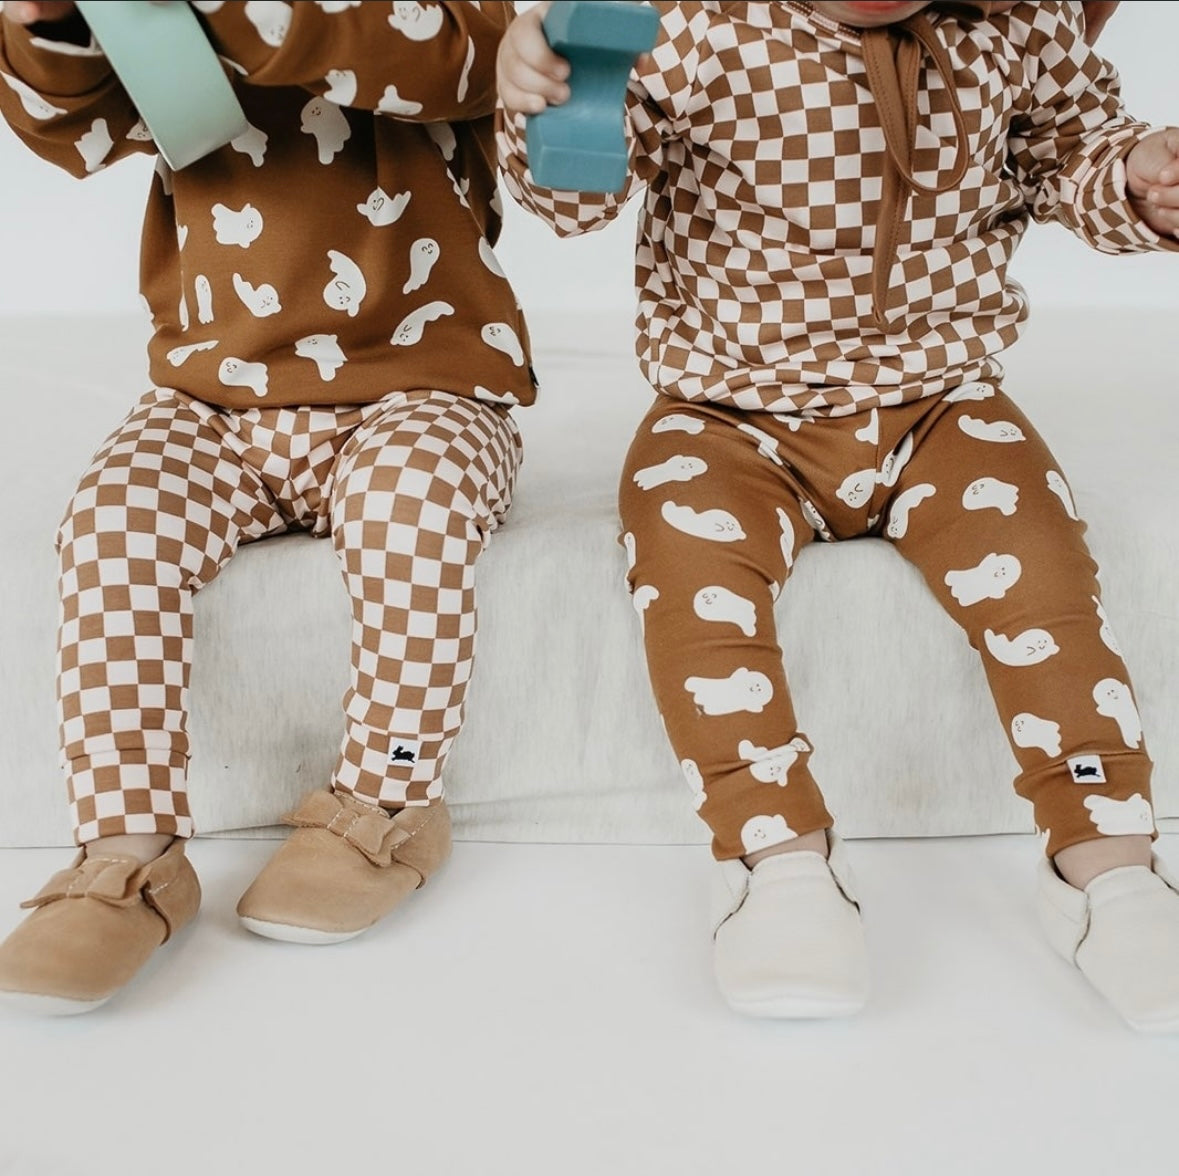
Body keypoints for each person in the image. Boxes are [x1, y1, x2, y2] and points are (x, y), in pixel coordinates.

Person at [496, 0, 1179, 1029]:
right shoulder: (688, 24)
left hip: (941, 399)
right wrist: (546, 93)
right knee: (689, 582)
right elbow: (577, 195)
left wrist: (1136, 178)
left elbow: (1070, 152)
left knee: (1045, 581)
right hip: (729, 408)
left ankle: (1110, 868)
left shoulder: (1014, 24)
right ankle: (776, 860)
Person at [0, 0, 532, 1013]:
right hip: (215, 392)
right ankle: (127, 852)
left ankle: (386, 802)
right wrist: (58, 23)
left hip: (425, 383)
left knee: (410, 502)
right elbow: (73, 129)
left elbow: (461, 61)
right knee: (114, 521)